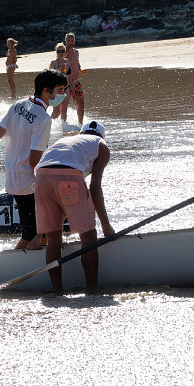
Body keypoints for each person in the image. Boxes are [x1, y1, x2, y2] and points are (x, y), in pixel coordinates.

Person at [0, 69, 67, 250]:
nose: (63, 95)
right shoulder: (44, 119)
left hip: (13, 177)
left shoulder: (18, 105)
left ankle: (41, 255)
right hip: (28, 182)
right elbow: (34, 161)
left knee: (40, 231)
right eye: (60, 90)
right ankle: (14, 263)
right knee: (32, 234)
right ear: (47, 91)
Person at [34, 120, 115, 293]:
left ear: (82, 133)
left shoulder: (67, 141)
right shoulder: (101, 145)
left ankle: (57, 292)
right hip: (68, 175)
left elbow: (61, 196)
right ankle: (91, 290)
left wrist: (39, 235)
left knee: (54, 239)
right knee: (88, 236)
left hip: (40, 177)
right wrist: (106, 226)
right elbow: (95, 187)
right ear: (102, 136)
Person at [61, 32, 85, 125]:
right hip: (66, 83)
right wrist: (68, 54)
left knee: (81, 103)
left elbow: (77, 63)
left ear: (74, 41)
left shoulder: (76, 52)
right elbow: (61, 63)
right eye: (68, 41)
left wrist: (80, 69)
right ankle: (63, 126)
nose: (70, 42)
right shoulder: (62, 51)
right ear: (65, 41)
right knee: (64, 106)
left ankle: (80, 124)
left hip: (76, 82)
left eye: (72, 40)